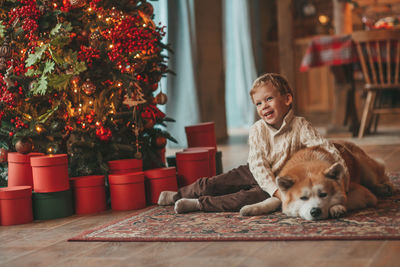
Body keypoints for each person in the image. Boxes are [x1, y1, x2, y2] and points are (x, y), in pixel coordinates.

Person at [158, 73, 349, 214]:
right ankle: (178, 194)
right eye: (258, 103)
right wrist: (276, 192)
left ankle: (200, 205)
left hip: (280, 178)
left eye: (269, 99)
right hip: (254, 171)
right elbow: (258, 165)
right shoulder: (258, 130)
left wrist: (341, 180)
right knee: (215, 183)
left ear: (287, 99)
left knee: (244, 198)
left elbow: (325, 148)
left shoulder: (301, 125)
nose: (264, 106)